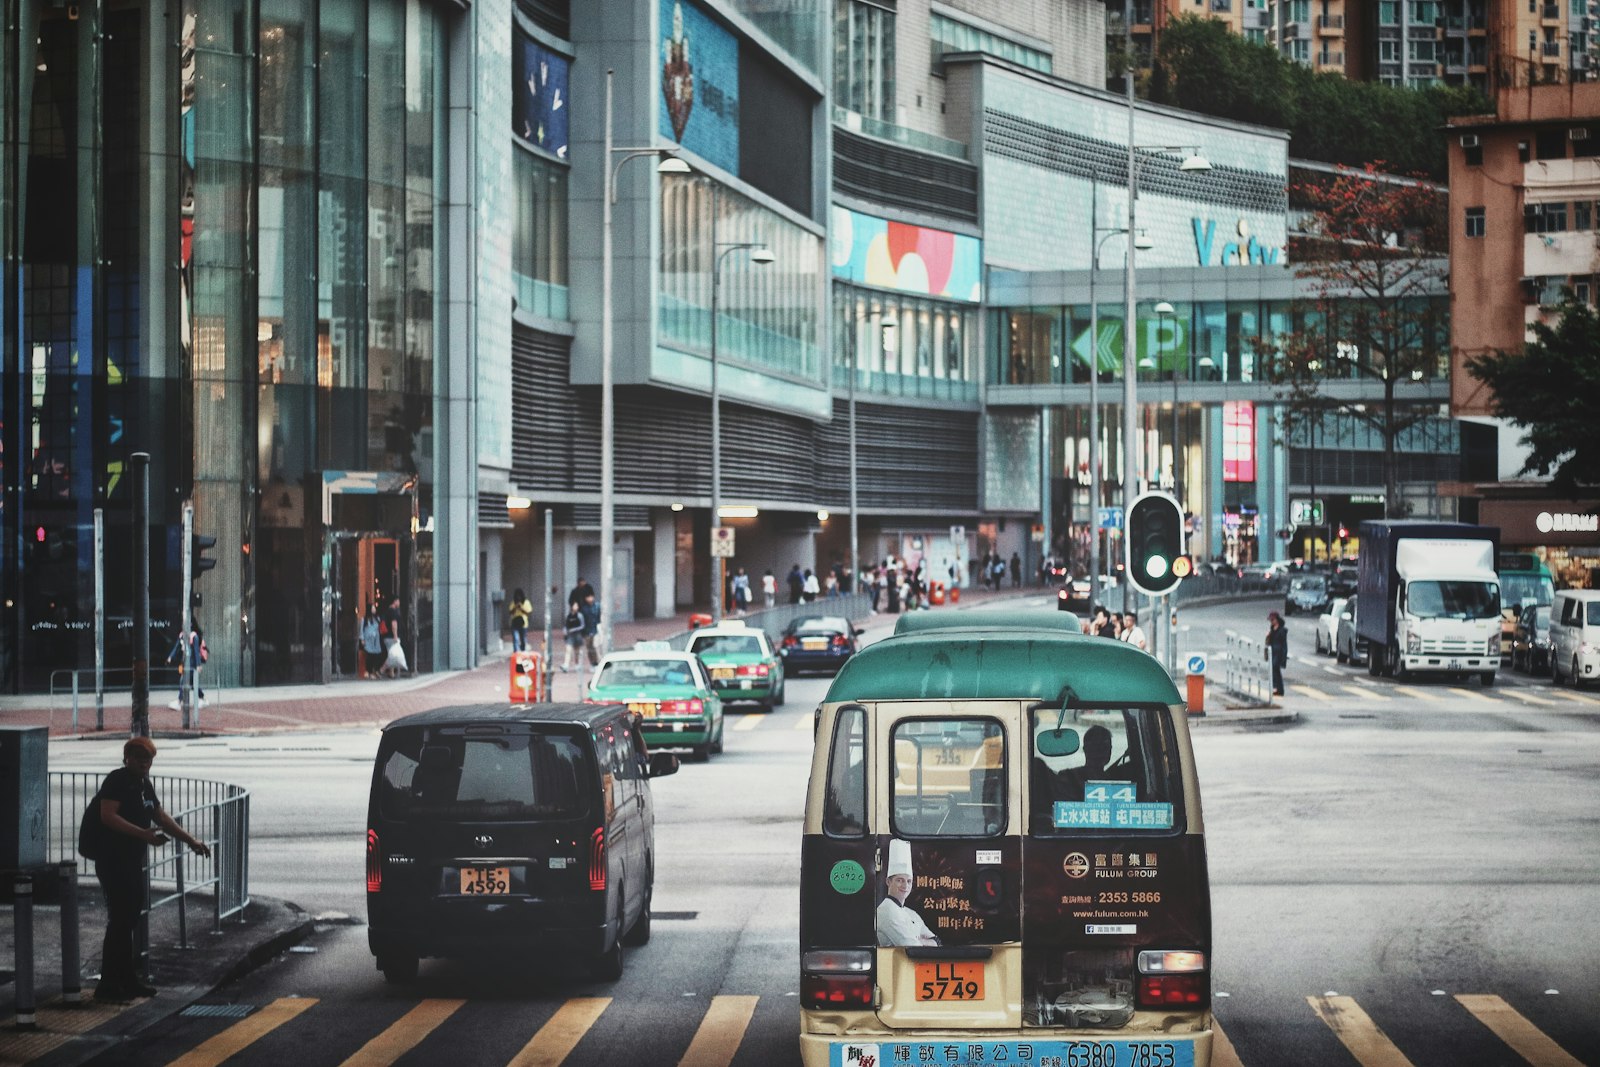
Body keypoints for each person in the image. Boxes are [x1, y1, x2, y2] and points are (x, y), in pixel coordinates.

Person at [92, 737, 211, 1002]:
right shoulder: (117, 780)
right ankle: (109, 985)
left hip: (131, 859)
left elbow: (159, 815)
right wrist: (143, 835)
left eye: (149, 760)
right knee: (121, 920)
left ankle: (127, 980)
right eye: (141, 759)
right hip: (112, 859)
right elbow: (107, 816)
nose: (146, 764)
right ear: (128, 758)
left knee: (130, 917)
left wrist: (190, 840)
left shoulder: (143, 784)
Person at [876, 839, 940, 948]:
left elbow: (937, 941)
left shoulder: (911, 913)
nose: (905, 886)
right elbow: (911, 946)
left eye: (909, 881)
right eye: (899, 880)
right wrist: (923, 941)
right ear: (888, 882)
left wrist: (923, 942)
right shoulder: (886, 910)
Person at [165, 624, 207, 705]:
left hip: (192, 663)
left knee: (183, 680)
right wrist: (170, 657)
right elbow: (177, 647)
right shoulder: (182, 635)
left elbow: (196, 651)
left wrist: (198, 664)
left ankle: (179, 701)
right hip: (184, 662)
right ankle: (202, 698)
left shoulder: (194, 636)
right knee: (193, 683)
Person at [381, 598, 409, 678]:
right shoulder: (393, 611)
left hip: (387, 636)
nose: (399, 603)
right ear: (395, 601)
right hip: (391, 637)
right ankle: (381, 670)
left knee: (392, 653)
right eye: (398, 601)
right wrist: (395, 636)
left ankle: (391, 672)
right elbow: (394, 624)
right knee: (392, 655)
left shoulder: (388, 611)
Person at [1266, 611, 1288, 695]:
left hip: (1278, 653)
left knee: (1275, 670)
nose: (1271, 622)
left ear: (1277, 620)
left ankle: (1276, 688)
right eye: (1270, 620)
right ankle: (1279, 689)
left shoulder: (1282, 631)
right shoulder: (1272, 630)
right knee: (1275, 671)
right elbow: (1269, 642)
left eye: (1272, 620)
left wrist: (1284, 656)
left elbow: (1284, 645)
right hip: (1272, 652)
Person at [359, 605, 384, 678]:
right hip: (368, 640)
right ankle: (368, 671)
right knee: (369, 655)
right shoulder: (364, 619)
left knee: (376, 655)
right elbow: (361, 630)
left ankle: (374, 671)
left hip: (376, 640)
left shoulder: (377, 618)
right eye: (373, 608)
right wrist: (362, 639)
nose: (374, 609)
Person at [561, 600, 584, 671]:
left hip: (577, 636)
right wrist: (565, 631)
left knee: (577, 652)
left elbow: (582, 625)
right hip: (570, 636)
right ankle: (566, 665)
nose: (575, 607)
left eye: (577, 606)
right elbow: (565, 625)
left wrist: (574, 629)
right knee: (568, 650)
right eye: (574, 605)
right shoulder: (568, 616)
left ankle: (577, 665)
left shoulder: (580, 615)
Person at [580, 591, 602, 666]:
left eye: (591, 596)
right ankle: (592, 663)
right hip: (587, 630)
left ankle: (597, 661)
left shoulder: (597, 606)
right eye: (588, 597)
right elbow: (583, 620)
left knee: (596, 646)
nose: (590, 598)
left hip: (596, 629)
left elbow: (599, 616)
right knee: (589, 647)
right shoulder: (584, 608)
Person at [508, 587, 533, 652]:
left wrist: (521, 608)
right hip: (515, 622)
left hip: (523, 623)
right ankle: (516, 652)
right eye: (517, 596)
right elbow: (510, 612)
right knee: (515, 638)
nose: (518, 597)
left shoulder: (526, 602)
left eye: (519, 596)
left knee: (523, 639)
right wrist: (515, 607)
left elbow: (528, 613)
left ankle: (523, 651)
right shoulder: (513, 602)